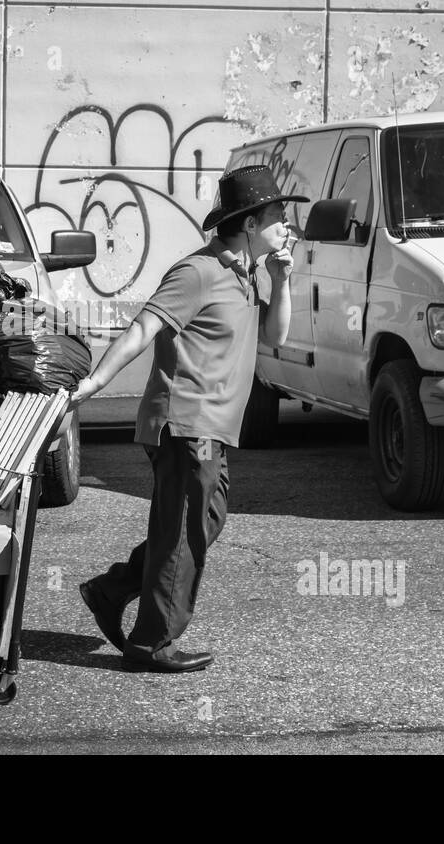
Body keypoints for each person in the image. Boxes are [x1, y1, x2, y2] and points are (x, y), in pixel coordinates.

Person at [70, 164, 304, 673]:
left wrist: (283, 279)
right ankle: (150, 643)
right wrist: (94, 384)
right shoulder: (197, 272)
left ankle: (112, 590)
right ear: (248, 223)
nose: (287, 225)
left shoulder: (248, 274)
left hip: (213, 428)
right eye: (278, 215)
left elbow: (275, 338)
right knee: (184, 533)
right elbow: (142, 329)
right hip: (185, 422)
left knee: (201, 523)